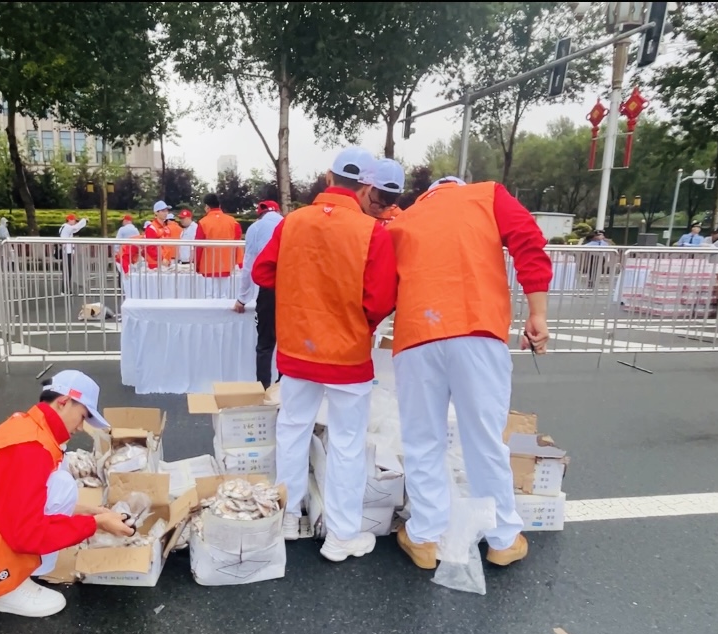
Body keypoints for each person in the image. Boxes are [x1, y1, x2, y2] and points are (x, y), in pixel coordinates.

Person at [386, 176, 552, 571]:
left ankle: (425, 537)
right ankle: (503, 538)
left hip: (417, 335)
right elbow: (529, 242)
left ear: (429, 193)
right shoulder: (487, 195)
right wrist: (538, 313)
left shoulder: (402, 220)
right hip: (477, 331)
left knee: (422, 439)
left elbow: (381, 286)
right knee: (484, 440)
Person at [252, 146, 397, 561]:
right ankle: (341, 535)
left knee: (292, 429)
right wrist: (358, 323)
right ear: (366, 187)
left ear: (328, 178)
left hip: (298, 348)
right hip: (347, 354)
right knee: (348, 443)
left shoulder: (292, 222)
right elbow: (381, 299)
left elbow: (263, 271)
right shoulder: (372, 232)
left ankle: (287, 516)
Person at [0, 370, 132, 617]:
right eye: (83, 416)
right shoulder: (30, 449)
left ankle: (15, 573)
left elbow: (23, 500)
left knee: (59, 482)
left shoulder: (29, 429)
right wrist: (95, 524)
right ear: (63, 402)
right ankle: (7, 586)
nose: (81, 427)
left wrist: (90, 512)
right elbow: (25, 534)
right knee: (62, 484)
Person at [236, 200, 284, 388]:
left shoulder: (255, 228)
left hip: (269, 290)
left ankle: (263, 388)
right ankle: (284, 388)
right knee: (288, 343)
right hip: (293, 289)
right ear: (278, 211)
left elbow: (249, 265)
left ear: (259, 214)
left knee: (265, 343)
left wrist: (242, 298)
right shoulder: (290, 224)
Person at [195, 192, 244, 278]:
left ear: (207, 207)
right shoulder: (233, 221)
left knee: (209, 287)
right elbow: (238, 244)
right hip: (228, 266)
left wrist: (197, 265)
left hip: (208, 267)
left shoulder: (203, 222)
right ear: (219, 206)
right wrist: (239, 263)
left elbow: (199, 247)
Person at [366, 158, 405, 224]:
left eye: (387, 206)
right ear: (365, 188)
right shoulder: (350, 212)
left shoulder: (399, 219)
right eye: (376, 203)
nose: (380, 210)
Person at [143, 200, 181, 266]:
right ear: (156, 212)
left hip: (165, 263)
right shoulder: (151, 228)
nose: (166, 213)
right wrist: (162, 259)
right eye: (163, 211)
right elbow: (150, 248)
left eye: (166, 211)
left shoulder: (165, 228)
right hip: (155, 264)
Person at [59, 213, 87, 294]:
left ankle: (66, 289)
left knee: (68, 271)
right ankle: (64, 290)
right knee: (67, 271)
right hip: (66, 252)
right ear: (69, 220)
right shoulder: (67, 227)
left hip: (67, 251)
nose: (75, 222)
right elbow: (76, 228)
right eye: (74, 220)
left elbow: (75, 229)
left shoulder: (65, 227)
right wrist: (84, 220)